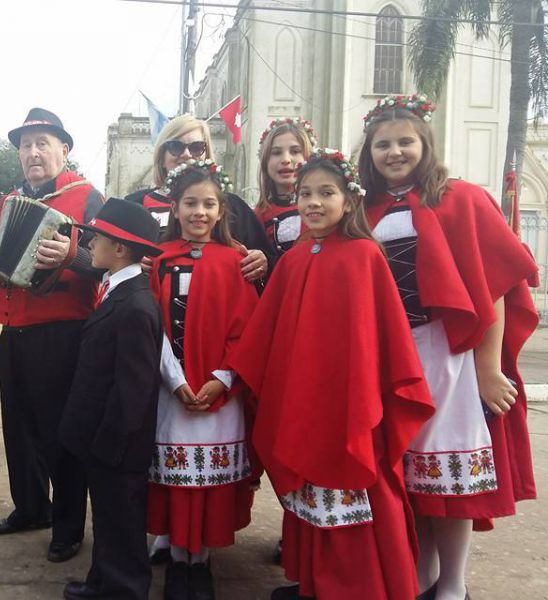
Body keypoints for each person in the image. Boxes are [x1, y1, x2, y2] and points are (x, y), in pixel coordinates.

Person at [229, 149, 435, 600]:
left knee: (353, 491)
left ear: (349, 200)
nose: (313, 203)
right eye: (305, 194)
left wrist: (357, 394)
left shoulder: (364, 256)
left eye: (326, 193)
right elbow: (268, 335)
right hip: (302, 399)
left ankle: (354, 588)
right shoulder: (296, 258)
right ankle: (313, 582)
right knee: (307, 489)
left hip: (348, 399)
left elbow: (377, 339)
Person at [358, 95, 540, 600]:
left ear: (425, 143)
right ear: (369, 152)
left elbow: (497, 285)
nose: (395, 152)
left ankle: (454, 586)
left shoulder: (461, 198)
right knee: (409, 466)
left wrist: (487, 366)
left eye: (405, 142)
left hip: (448, 352)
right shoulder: (362, 209)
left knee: (450, 471)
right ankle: (423, 574)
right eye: (383, 144)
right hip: (389, 353)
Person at [0, 107, 103, 563]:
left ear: (63, 149)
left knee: (59, 435)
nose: (32, 152)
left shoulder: (89, 197)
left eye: (42, 143)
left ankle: (68, 526)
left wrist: (71, 254)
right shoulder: (10, 200)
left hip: (63, 333)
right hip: (13, 330)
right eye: (26, 145)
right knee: (19, 429)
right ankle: (31, 509)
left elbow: (107, 263)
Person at [146, 159, 259, 600]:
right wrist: (174, 381)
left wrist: (221, 379)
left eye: (209, 204)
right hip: (170, 391)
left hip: (220, 392)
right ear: (175, 209)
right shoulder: (158, 263)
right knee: (176, 484)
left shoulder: (235, 261)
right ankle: (178, 562)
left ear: (221, 210)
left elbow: (246, 330)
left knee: (208, 485)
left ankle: (203, 563)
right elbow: (151, 328)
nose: (199, 212)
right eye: (190, 203)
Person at [59, 198, 165, 600]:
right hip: (101, 438)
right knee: (106, 515)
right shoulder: (116, 291)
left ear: (119, 249)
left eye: (96, 238)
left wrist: (111, 442)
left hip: (116, 444)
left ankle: (125, 589)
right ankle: (102, 581)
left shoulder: (135, 305)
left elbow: (133, 388)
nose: (90, 245)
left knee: (121, 521)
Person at [123, 114, 275, 286]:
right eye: (175, 146)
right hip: (150, 303)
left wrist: (263, 260)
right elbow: (105, 257)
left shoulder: (232, 206)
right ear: (162, 156)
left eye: (196, 147)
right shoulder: (133, 205)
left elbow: (268, 257)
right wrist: (130, 262)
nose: (187, 154)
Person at [253, 117, 317, 255]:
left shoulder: (322, 206)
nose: (286, 160)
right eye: (276, 153)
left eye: (295, 151)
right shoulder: (259, 216)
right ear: (265, 161)